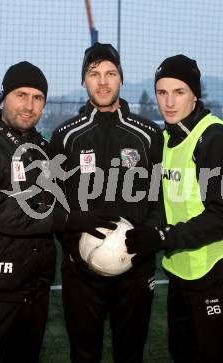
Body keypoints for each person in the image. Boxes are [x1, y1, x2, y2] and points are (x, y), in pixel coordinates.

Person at [0, 61, 119, 363]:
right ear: (3, 97)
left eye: (38, 98)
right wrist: (64, 219)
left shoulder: (43, 149)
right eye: (21, 95)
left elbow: (62, 202)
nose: (29, 105)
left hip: (34, 293)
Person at [125, 54, 223, 362]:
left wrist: (162, 238)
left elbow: (222, 216)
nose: (169, 102)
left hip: (218, 272)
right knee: (182, 353)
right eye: (162, 92)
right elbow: (170, 203)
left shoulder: (215, 139)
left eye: (178, 92)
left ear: (195, 94)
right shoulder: (169, 138)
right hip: (183, 272)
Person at [50, 42, 164, 362]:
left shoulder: (148, 134)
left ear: (121, 79)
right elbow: (53, 201)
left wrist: (149, 236)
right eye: (94, 74)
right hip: (81, 271)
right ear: (83, 81)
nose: (103, 81)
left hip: (135, 269)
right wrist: (73, 244)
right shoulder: (64, 136)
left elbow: (159, 198)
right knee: (84, 355)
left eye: (110, 73)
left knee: (130, 354)